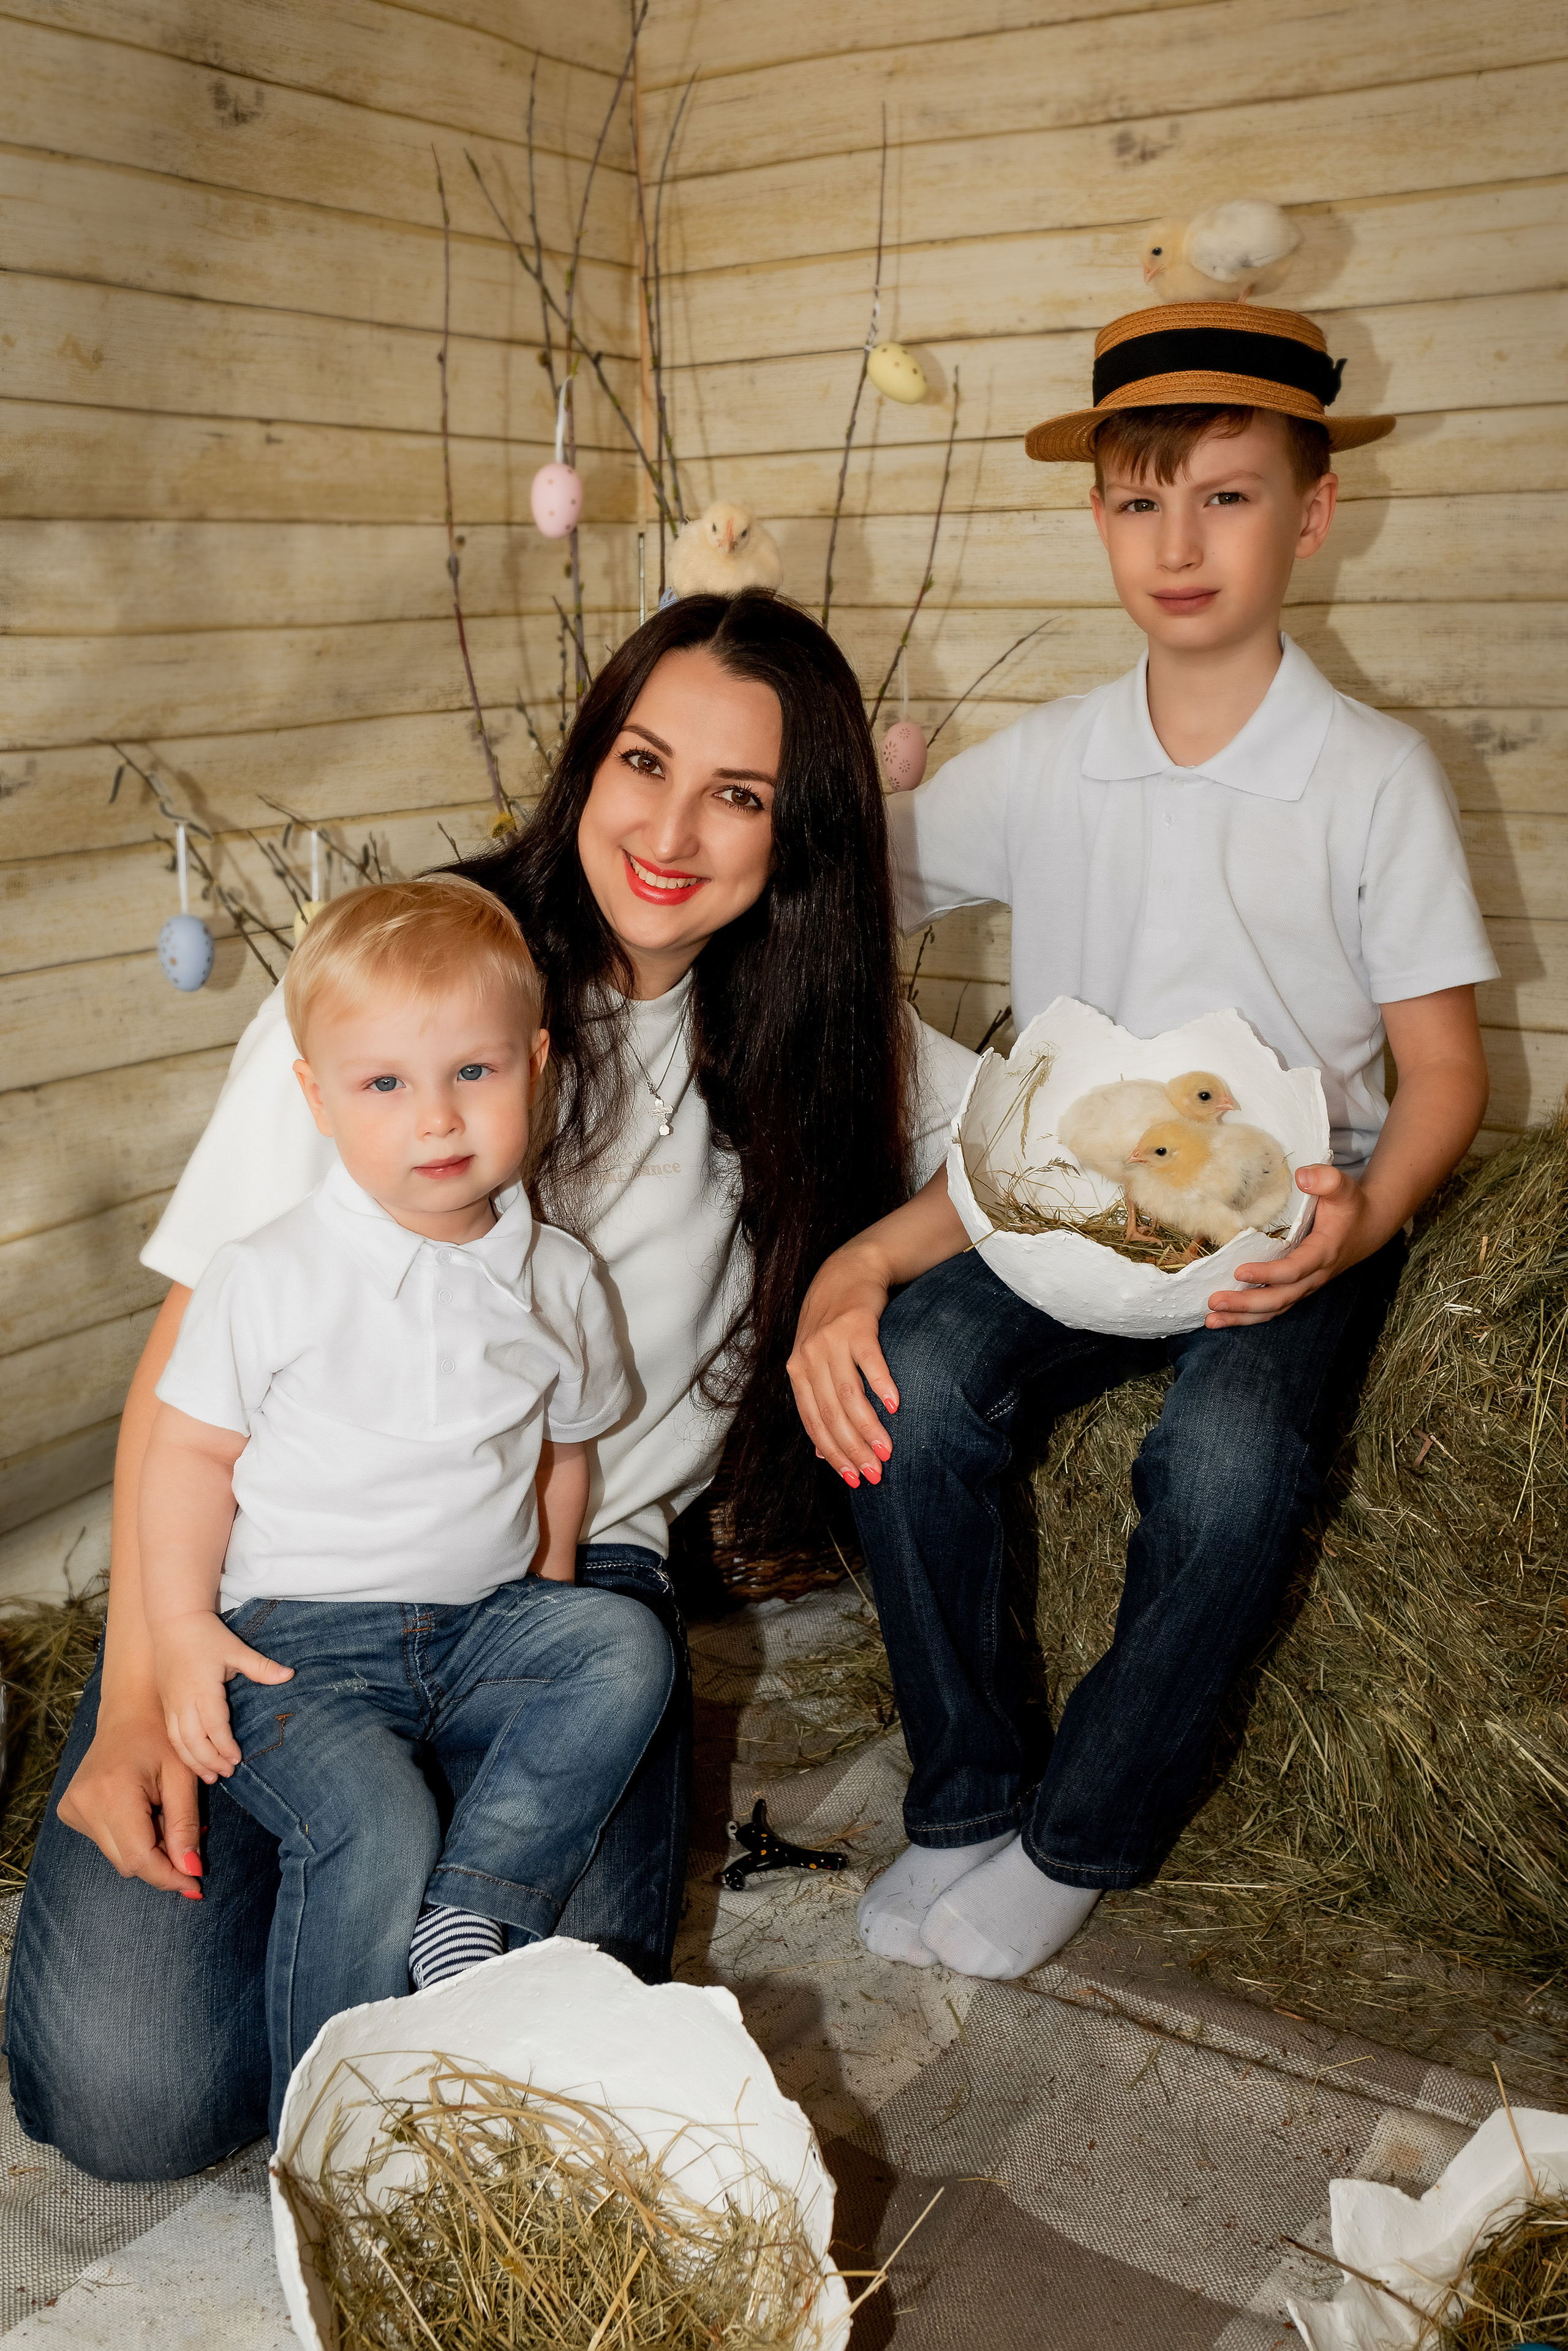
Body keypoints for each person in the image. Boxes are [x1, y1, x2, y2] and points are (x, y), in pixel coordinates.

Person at [6, 592, 974, 2179]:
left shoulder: (818, 1031)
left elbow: (1022, 1142)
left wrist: (866, 1262)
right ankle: (340, 1939)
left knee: (525, 2087)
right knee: (129, 2093)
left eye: (736, 794)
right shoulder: (404, 985)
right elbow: (189, 1374)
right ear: (589, 759)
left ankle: (413, 1928)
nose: (670, 828)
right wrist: (134, 1692)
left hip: (555, 1579)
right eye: (644, 761)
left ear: (795, 830)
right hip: (292, 1575)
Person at [788, 303, 1497, 1981]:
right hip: (1061, 1208)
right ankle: (967, 1788)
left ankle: (1082, 1828)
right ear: (1099, 514)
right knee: (912, 1382)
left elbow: (1445, 1070)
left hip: (1277, 1215)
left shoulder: (1373, 777)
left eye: (1230, 497)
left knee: (1226, 1466)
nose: (1179, 544)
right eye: (1138, 499)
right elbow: (843, 897)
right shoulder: (1046, 763)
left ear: (1313, 513)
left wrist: (1365, 1213)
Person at [141, 876, 676, 2139]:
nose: (435, 1117)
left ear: (535, 1066)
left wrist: (546, 1592)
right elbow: (188, 1456)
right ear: (317, 1098)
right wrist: (177, 1625)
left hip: (479, 1619)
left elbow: (563, 1451)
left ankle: (473, 1905)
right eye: (383, 1084)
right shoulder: (268, 1272)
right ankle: (333, 2135)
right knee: (373, 1824)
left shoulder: (556, 1275)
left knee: (621, 1646)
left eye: (473, 1071)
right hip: (290, 1648)